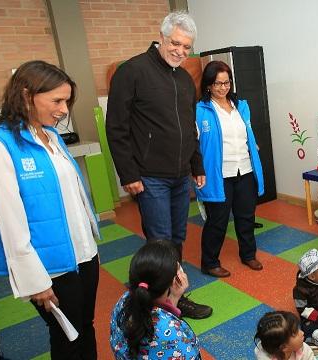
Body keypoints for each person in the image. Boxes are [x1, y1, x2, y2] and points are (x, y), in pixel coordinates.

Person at [0, 60, 100, 359]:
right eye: (57, 100)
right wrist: (33, 279)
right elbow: (8, 221)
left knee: (85, 325)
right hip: (51, 265)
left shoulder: (51, 136)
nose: (64, 109)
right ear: (26, 96)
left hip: (84, 253)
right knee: (67, 334)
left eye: (67, 100)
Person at [106, 11, 211, 319]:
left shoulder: (183, 79)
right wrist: (129, 173)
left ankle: (171, 293)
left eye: (187, 46)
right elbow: (116, 128)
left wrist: (197, 165)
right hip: (149, 176)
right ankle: (156, 301)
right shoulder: (132, 71)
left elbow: (188, 128)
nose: (180, 51)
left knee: (177, 238)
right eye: (175, 43)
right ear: (161, 37)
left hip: (180, 175)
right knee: (160, 240)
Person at [195, 60, 265, 277]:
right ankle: (210, 262)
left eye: (226, 83)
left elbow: (246, 134)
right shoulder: (200, 110)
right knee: (218, 221)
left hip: (244, 169)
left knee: (246, 217)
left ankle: (248, 255)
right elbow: (195, 143)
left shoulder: (241, 106)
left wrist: (253, 145)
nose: (223, 88)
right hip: (218, 175)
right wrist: (196, 170)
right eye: (217, 84)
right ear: (208, 84)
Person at [110, 241, 201, 359]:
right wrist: (174, 298)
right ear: (174, 282)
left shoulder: (123, 301)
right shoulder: (170, 332)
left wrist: (173, 299)